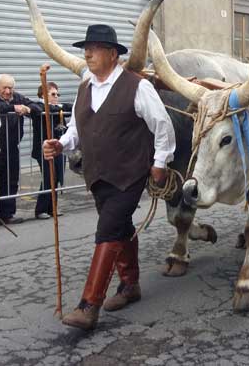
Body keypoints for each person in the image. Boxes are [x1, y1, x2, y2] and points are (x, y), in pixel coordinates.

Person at [43, 24, 176, 330]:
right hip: (97, 175)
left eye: (94, 48)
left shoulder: (137, 86)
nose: (86, 54)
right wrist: (60, 143)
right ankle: (130, 286)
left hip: (129, 173)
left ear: (113, 54)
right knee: (120, 227)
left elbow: (163, 125)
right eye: (85, 49)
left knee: (107, 231)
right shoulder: (85, 86)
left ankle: (89, 305)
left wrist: (159, 163)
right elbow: (78, 128)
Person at [0, 74, 35, 226]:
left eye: (10, 88)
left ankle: (7, 214)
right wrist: (13, 107)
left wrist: (28, 109)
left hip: (11, 146)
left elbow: (35, 106)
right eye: (4, 88)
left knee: (11, 181)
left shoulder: (17, 97)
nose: (7, 91)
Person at [30, 82, 73, 219]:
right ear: (43, 95)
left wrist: (58, 107)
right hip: (44, 149)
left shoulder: (57, 107)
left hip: (58, 148)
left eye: (57, 94)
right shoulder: (38, 106)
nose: (56, 97)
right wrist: (55, 108)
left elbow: (71, 107)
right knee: (48, 178)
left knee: (56, 178)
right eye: (53, 94)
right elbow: (38, 109)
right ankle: (40, 209)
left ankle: (52, 208)